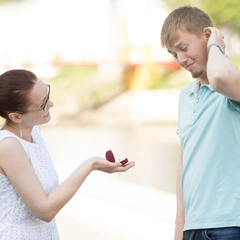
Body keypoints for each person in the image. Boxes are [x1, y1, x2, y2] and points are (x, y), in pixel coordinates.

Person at [0, 69, 135, 240]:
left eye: (47, 94)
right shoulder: (8, 146)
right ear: (16, 117)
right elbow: (45, 209)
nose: (51, 104)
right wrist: (90, 165)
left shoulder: (35, 132)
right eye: (42, 104)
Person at [161, 5, 240, 240]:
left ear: (206, 34)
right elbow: (184, 163)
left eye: (183, 48)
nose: (181, 60)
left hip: (229, 224)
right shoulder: (185, 95)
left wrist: (215, 44)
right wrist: (180, 226)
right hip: (193, 227)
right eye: (174, 54)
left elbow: (219, 77)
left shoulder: (231, 83)